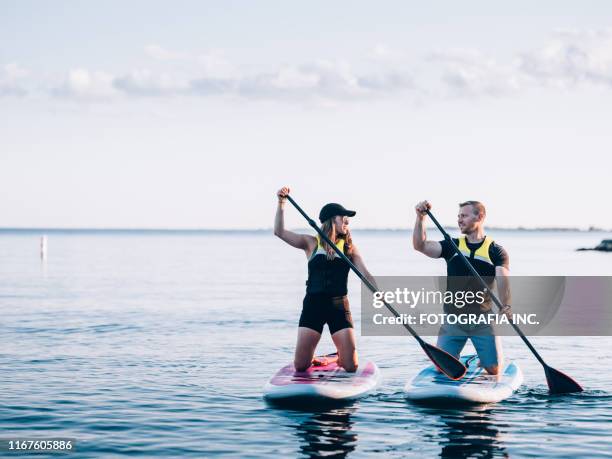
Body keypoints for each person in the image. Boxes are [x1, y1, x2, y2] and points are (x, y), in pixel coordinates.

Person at [274, 186, 376, 372]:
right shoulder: (310, 243)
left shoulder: (349, 248)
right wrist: (281, 203)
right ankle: (318, 357)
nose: (347, 222)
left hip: (338, 306)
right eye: (343, 217)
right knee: (301, 366)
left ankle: (339, 357)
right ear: (331, 220)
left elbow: (366, 274)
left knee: (351, 366)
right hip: (313, 305)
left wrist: (378, 291)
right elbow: (279, 232)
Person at [413, 200, 511, 375]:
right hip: (454, 320)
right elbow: (420, 246)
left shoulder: (496, 251)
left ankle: (488, 356)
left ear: (480, 217)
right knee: (442, 368)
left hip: (482, 320)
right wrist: (421, 218)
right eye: (458, 216)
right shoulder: (452, 246)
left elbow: (503, 279)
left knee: (493, 369)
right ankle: (459, 355)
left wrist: (506, 304)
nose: (459, 220)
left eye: (464, 216)